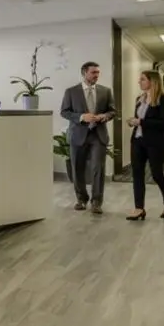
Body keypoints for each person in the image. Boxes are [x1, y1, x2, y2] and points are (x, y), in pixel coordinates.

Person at [60, 61, 117, 214]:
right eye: (93, 72)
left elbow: (112, 111)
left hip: (98, 136)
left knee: (98, 168)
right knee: (77, 169)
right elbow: (64, 112)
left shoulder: (106, 91)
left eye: (98, 73)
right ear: (84, 73)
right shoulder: (71, 92)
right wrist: (81, 117)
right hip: (78, 135)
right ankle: (81, 199)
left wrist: (104, 116)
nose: (96, 75)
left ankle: (97, 202)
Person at [126, 70, 164, 221]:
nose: (139, 82)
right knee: (137, 174)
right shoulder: (139, 99)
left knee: (156, 174)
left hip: (156, 143)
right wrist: (133, 122)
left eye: (142, 79)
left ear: (152, 81)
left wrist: (140, 122)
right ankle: (139, 208)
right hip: (137, 141)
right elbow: (139, 119)